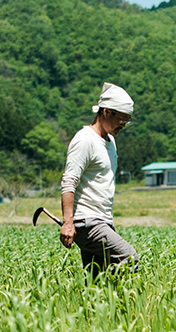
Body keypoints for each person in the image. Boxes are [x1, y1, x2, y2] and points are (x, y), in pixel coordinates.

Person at [59, 82, 140, 275]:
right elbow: (69, 181)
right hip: (87, 222)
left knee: (94, 281)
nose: (123, 125)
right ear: (106, 112)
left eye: (127, 121)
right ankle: (114, 293)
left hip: (102, 220)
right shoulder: (85, 140)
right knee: (130, 258)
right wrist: (68, 222)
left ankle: (99, 300)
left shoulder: (110, 142)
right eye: (121, 119)